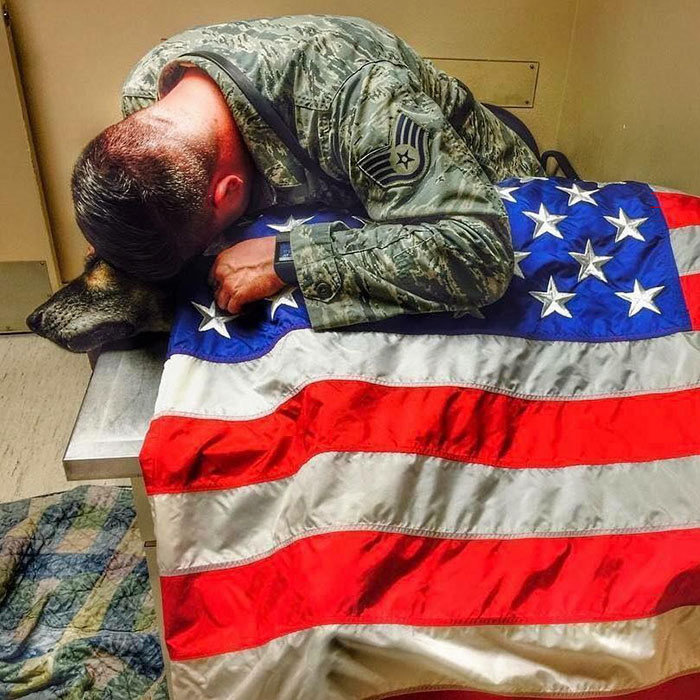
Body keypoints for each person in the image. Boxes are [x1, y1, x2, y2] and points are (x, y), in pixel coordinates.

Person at [71, 15, 543, 330]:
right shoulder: (147, 92)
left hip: (495, 201)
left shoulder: (365, 102)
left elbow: (477, 254)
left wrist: (289, 259)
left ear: (228, 192)